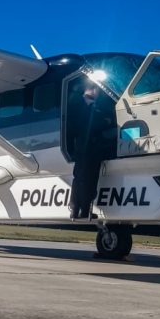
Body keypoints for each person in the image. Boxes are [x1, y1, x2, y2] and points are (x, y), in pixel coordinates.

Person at [70, 84, 117, 219]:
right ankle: (84, 210)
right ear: (89, 91)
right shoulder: (87, 107)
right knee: (89, 179)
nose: (98, 92)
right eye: (95, 89)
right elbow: (92, 124)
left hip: (80, 149)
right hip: (90, 149)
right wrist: (106, 121)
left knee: (78, 178)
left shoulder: (80, 106)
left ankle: (76, 209)